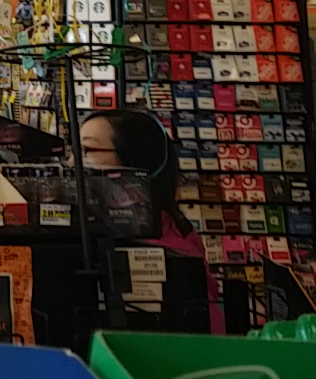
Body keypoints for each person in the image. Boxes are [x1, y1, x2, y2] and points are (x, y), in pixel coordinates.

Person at [80, 109, 223, 333]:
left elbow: (206, 330)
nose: (73, 162)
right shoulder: (172, 227)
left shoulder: (174, 248)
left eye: (87, 150)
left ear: (134, 160)